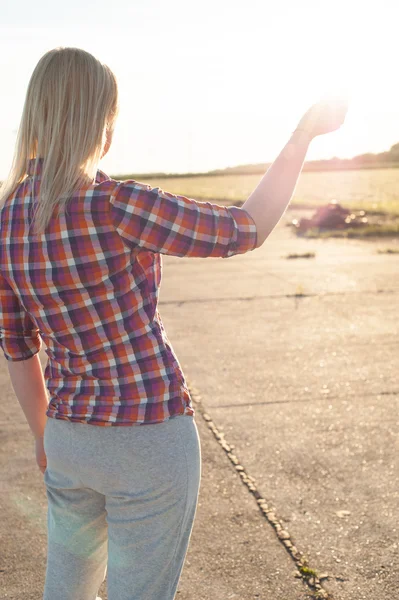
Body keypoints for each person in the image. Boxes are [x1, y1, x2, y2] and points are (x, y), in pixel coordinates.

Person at [0, 47, 347, 600]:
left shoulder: (6, 219)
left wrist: (47, 439)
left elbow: (17, 348)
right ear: (101, 126)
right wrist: (298, 141)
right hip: (150, 440)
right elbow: (246, 227)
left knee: (64, 592)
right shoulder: (117, 204)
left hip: (68, 437)